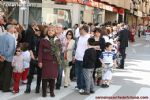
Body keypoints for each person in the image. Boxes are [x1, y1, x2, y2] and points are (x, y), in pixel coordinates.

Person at [38, 25, 61, 97]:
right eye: (49, 30)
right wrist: (40, 61)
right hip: (45, 61)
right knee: (44, 77)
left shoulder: (57, 40)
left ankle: (52, 92)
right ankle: (44, 92)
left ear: (54, 32)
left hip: (54, 62)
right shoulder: (43, 40)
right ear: (47, 32)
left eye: (52, 30)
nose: (50, 32)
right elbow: (40, 52)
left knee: (52, 77)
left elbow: (59, 50)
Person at [74, 25, 91, 93]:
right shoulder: (80, 37)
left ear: (84, 30)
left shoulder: (89, 38)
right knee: (77, 73)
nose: (79, 31)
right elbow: (77, 48)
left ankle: (83, 87)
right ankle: (78, 85)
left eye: (80, 30)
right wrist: (75, 56)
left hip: (84, 58)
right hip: (78, 57)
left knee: (82, 74)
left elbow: (89, 48)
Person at [0, 25, 16, 92]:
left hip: (1, 57)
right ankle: (5, 88)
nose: (14, 29)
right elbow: (11, 49)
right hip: (8, 58)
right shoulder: (11, 38)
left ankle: (1, 86)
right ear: (10, 29)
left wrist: (1, 55)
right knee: (8, 74)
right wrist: (5, 56)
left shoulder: (1, 36)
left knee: (2, 72)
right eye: (13, 28)